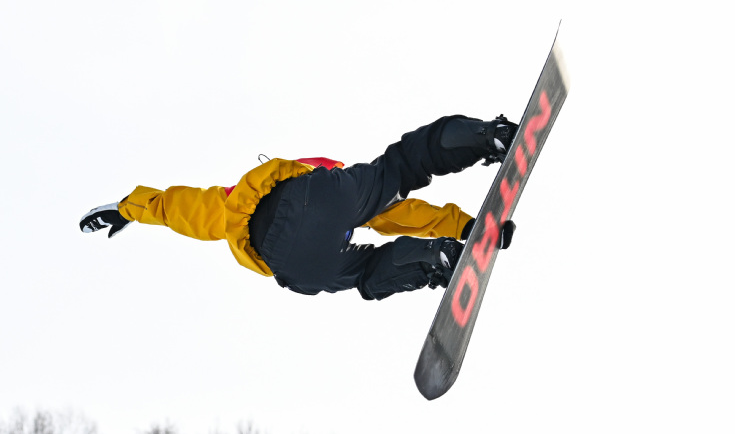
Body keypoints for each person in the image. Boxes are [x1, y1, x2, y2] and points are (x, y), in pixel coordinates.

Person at [79, 116, 521, 301]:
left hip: (292, 264)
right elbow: (402, 213)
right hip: (317, 197)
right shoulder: (340, 185)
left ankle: (435, 261)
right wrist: (467, 225)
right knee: (402, 166)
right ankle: (488, 137)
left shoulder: (228, 207)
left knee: (366, 275)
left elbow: (178, 207)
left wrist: (127, 208)